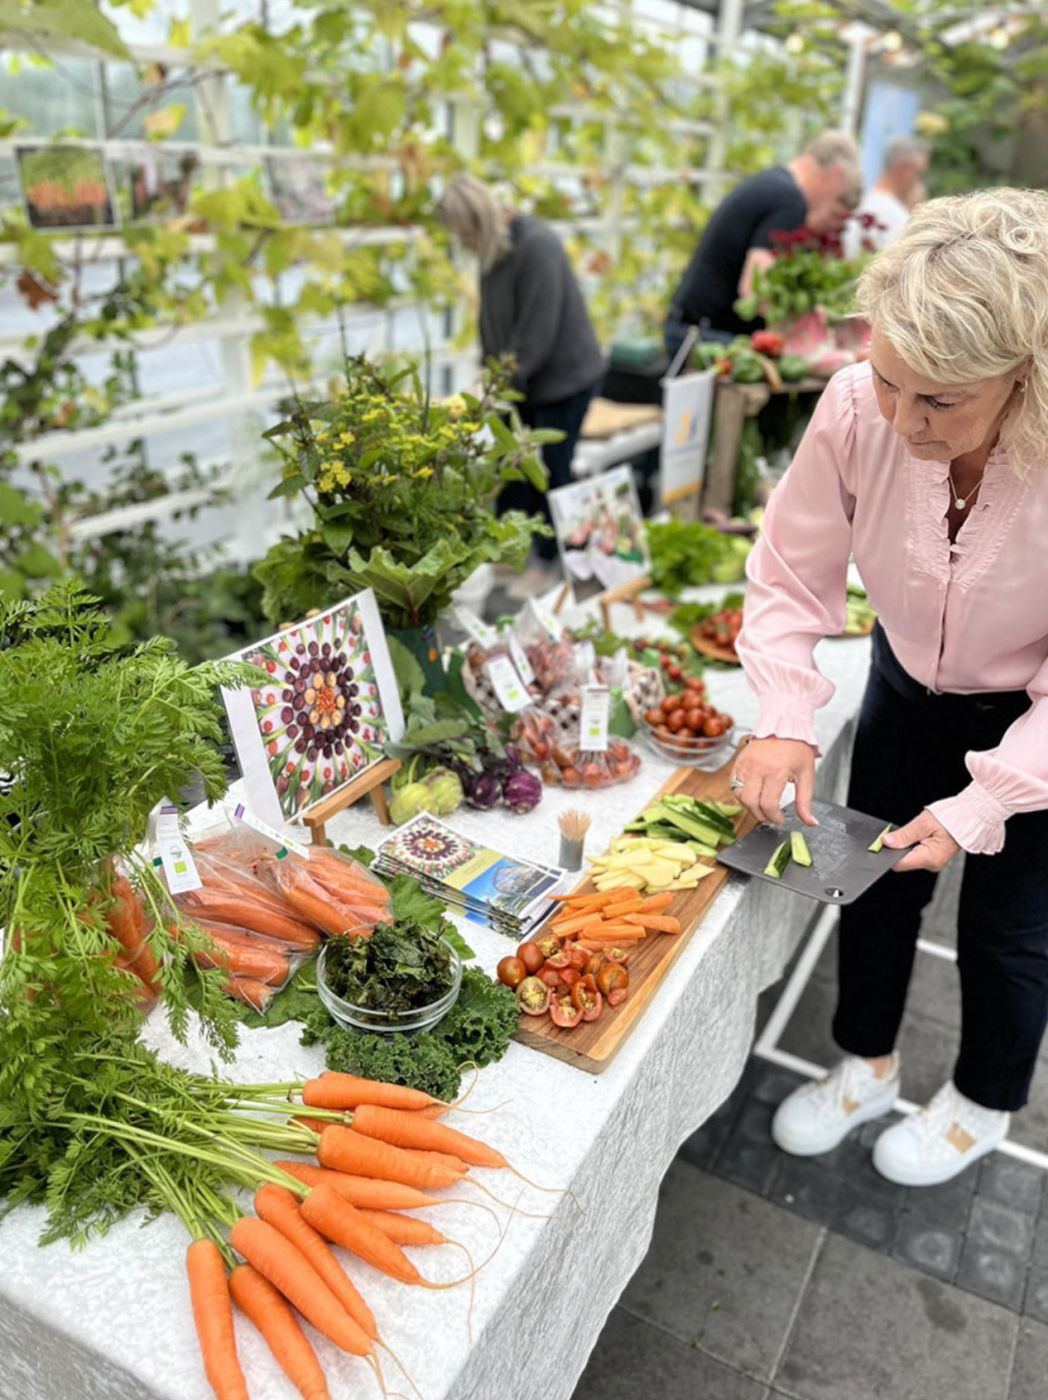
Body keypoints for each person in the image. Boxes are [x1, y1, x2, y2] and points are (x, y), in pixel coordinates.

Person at [731, 188, 1048, 1188]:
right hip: (903, 685)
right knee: (865, 885)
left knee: (1010, 926)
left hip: (1028, 719)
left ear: (1023, 375)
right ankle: (863, 1059)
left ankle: (983, 1100)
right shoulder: (854, 408)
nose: (903, 421)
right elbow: (789, 571)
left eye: (941, 400)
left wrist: (986, 799)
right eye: (889, 381)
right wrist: (785, 714)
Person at [437, 175, 605, 567]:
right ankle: (515, 560)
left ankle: (555, 566)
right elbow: (493, 324)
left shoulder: (537, 247)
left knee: (550, 474)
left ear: (481, 222)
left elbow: (536, 334)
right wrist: (488, 378)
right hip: (523, 386)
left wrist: (492, 386)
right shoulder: (493, 252)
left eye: (465, 235)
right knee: (508, 473)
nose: (464, 245)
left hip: (566, 381)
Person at [664, 132, 862, 360]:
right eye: (837, 202)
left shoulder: (772, 183)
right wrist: (810, 329)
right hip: (708, 336)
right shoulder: (791, 201)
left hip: (689, 328)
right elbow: (755, 291)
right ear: (835, 175)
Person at [843, 135, 930, 258]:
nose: (919, 180)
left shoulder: (858, 202)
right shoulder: (899, 219)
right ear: (903, 169)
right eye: (919, 172)